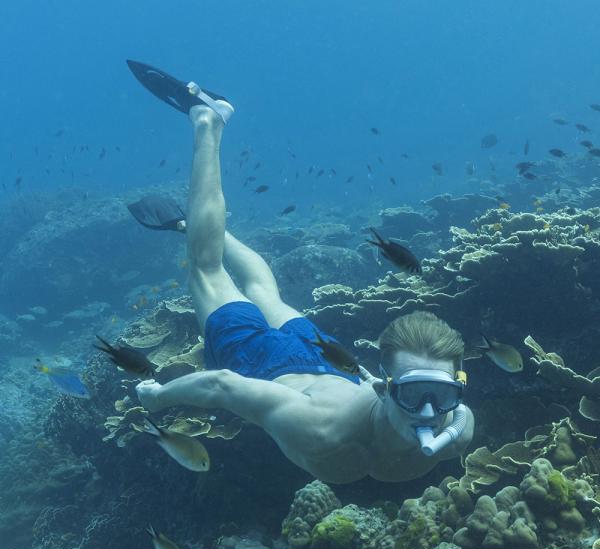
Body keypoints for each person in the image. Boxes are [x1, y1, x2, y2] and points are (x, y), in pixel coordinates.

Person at [134, 76, 474, 484]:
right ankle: (207, 122)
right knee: (208, 269)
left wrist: (385, 384)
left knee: (264, 292)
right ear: (389, 390)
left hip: (334, 364)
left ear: (459, 389)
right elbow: (223, 385)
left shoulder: (458, 428)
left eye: (442, 396)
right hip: (266, 364)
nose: (428, 413)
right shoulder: (318, 429)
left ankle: (199, 224)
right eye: (414, 395)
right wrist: (158, 398)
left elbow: (422, 400)